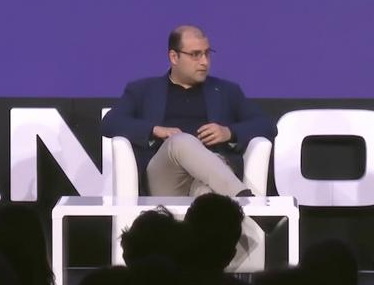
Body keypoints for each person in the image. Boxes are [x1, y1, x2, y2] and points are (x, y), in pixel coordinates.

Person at [101, 25, 277, 196]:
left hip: (212, 174)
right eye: (195, 55)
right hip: (166, 177)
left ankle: (244, 214)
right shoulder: (143, 90)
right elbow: (110, 122)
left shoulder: (226, 91)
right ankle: (246, 202)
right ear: (174, 57)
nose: (204, 62)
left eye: (207, 53)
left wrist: (229, 132)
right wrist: (155, 130)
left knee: (208, 196)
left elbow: (267, 125)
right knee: (181, 142)